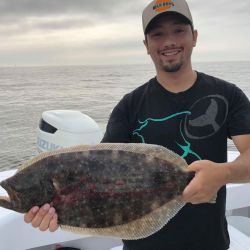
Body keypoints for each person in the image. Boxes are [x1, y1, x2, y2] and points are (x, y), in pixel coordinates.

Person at [24, 0, 250, 249]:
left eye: (178, 30)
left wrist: (224, 174)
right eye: (158, 34)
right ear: (146, 45)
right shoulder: (129, 106)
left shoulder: (228, 96)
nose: (169, 41)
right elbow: (96, 174)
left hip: (209, 243)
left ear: (194, 37)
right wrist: (57, 208)